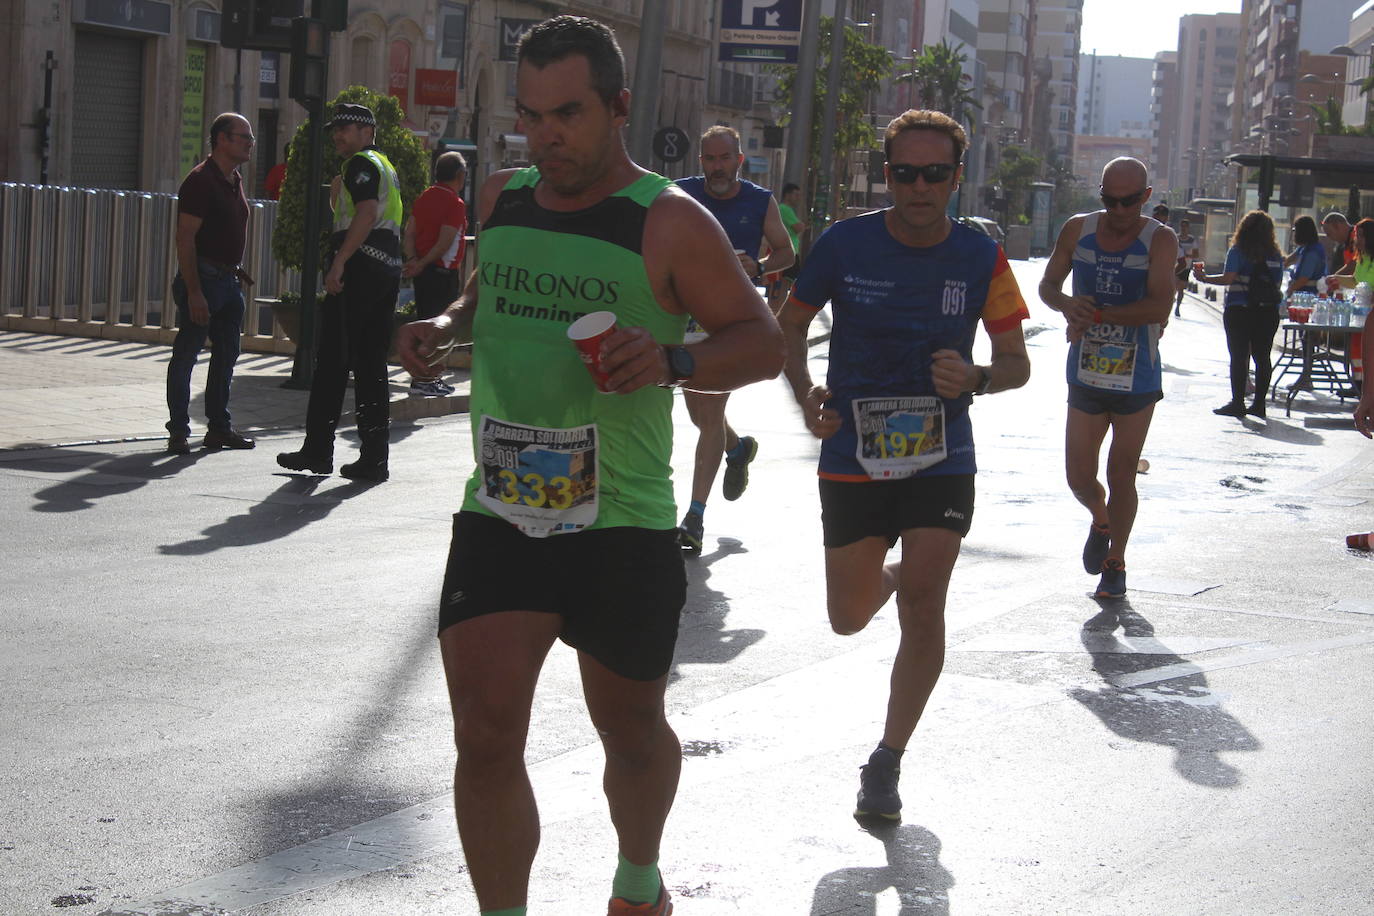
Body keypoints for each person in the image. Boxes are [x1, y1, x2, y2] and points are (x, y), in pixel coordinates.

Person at [392, 16, 783, 916]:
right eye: (531, 116)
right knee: (485, 739)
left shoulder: (670, 221)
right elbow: (488, 286)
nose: (545, 136)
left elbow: (760, 340)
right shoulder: (504, 197)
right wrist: (445, 327)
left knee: (632, 733)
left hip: (623, 520)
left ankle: (639, 881)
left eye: (566, 114)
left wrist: (674, 359)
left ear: (617, 107)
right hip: (502, 508)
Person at [778, 109, 1030, 822]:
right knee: (849, 617)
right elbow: (790, 323)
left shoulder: (982, 256)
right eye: (906, 174)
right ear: (886, 175)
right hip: (853, 452)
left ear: (957, 177)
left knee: (926, 604)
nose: (920, 188)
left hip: (940, 453)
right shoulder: (844, 244)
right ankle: (883, 576)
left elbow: (1018, 365)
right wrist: (805, 393)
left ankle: (886, 761)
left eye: (936, 174)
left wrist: (976, 378)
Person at [1039, 157, 1176, 599]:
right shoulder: (1078, 229)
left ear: (1146, 197)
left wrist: (1095, 313)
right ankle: (1101, 519)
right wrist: (1065, 304)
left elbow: (1158, 307)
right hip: (1086, 372)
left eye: (1129, 202)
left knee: (1122, 473)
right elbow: (1048, 286)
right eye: (1109, 200)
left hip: (1137, 377)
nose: (1118, 211)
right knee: (1079, 476)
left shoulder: (1160, 239)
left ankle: (1115, 560)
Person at [673, 125, 794, 553]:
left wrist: (758, 266)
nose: (717, 167)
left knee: (708, 413)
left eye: (725, 158)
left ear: (739, 160)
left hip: (729, 322)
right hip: (683, 317)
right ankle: (738, 448)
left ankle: (694, 517)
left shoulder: (760, 202)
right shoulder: (679, 194)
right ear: (701, 161)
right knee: (696, 412)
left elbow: (786, 252)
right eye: (710, 159)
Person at [276, 103, 402, 482]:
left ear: (367, 131)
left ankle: (317, 451)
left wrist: (339, 262)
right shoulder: (384, 165)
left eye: (345, 127)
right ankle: (374, 457)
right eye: (335, 129)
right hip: (386, 268)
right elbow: (366, 211)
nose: (337, 134)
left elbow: (364, 213)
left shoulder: (361, 163)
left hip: (360, 268)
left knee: (332, 361)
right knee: (370, 365)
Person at [164, 112, 257, 455]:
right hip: (203, 279)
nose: (250, 143)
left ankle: (218, 428)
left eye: (251, 138)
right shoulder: (200, 181)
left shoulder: (234, 178)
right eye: (243, 137)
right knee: (186, 354)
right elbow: (185, 238)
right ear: (221, 139)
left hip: (229, 282)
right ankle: (178, 431)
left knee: (227, 356)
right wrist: (194, 292)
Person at [1194, 210, 1284, 420]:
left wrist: (1204, 278)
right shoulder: (1276, 256)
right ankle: (1259, 404)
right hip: (1268, 311)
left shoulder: (1238, 251)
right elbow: (1277, 283)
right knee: (1263, 357)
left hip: (1240, 309)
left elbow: (1228, 279)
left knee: (1239, 356)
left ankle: (1238, 402)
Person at [402, 150, 468, 396]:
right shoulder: (455, 203)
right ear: (460, 175)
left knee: (424, 324)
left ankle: (426, 378)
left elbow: (409, 232)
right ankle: (424, 379)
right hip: (442, 272)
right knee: (439, 329)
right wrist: (423, 262)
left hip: (424, 272)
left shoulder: (425, 197)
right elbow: (445, 241)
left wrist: (413, 260)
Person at [767, 181, 809, 311]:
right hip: (785, 252)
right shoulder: (784, 209)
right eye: (796, 195)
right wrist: (802, 224)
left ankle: (777, 314)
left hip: (791, 252)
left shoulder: (787, 210)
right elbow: (799, 227)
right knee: (779, 286)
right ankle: (774, 314)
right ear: (787, 195)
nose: (798, 198)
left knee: (784, 285)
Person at [1285, 215, 1325, 297]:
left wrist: (1289, 292)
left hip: (1307, 295)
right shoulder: (1304, 247)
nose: (1293, 234)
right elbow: (1288, 260)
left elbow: (1303, 279)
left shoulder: (1312, 253)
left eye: (1295, 231)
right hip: (1301, 292)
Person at [1174, 217, 1200, 316]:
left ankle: (1178, 307)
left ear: (1188, 228)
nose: (1183, 228)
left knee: (1181, 288)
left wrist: (1187, 255)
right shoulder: (1175, 237)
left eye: (1185, 227)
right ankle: (1171, 303)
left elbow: (1196, 255)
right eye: (1182, 226)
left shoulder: (1192, 240)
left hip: (1186, 267)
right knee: (1174, 285)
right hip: (1175, 265)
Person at [1322, 211, 1357, 276]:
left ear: (1337, 226)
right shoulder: (1345, 243)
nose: (1330, 238)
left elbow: (1354, 264)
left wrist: (1334, 277)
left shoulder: (1357, 237)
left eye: (1329, 234)